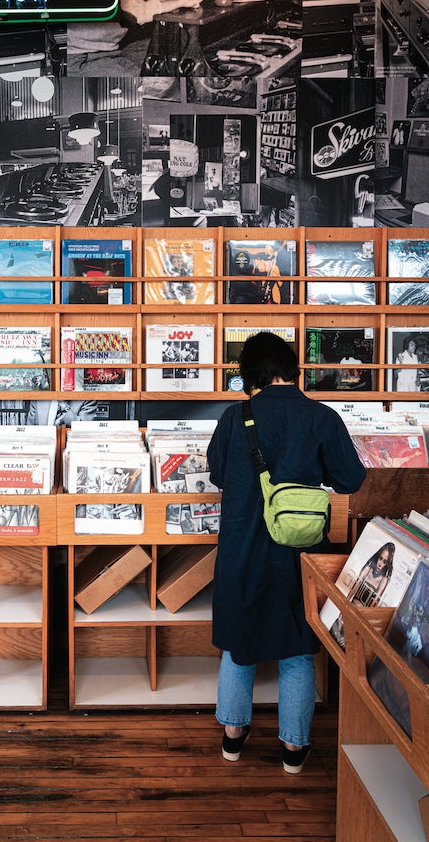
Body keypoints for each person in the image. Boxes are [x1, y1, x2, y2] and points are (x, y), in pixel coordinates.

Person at [207, 331, 366, 773]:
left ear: (250, 373)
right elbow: (350, 480)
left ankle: (233, 738)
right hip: (300, 554)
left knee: (238, 646)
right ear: (292, 368)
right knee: (298, 649)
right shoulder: (322, 417)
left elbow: (218, 473)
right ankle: (294, 749)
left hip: (241, 549)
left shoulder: (235, 418)